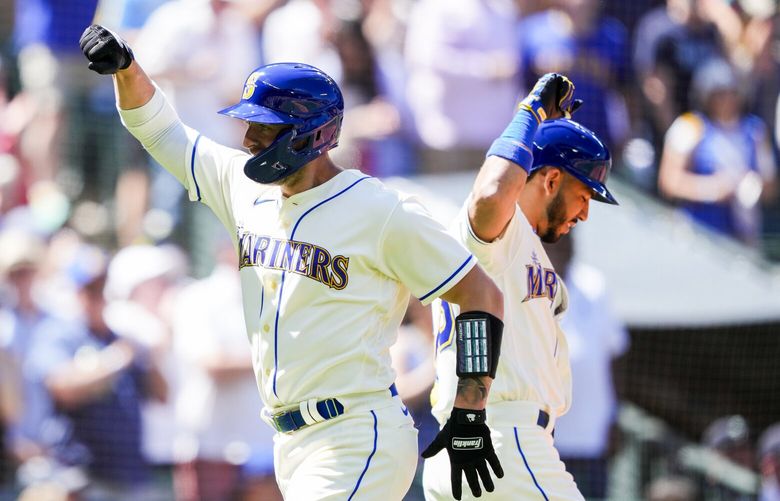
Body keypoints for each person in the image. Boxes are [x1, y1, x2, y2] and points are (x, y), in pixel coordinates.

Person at [78, 24, 505, 500]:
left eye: (265, 127)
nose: (249, 139)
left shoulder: (381, 211)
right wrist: (127, 70)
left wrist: (470, 409)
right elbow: (160, 130)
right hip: (289, 441)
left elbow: (479, 293)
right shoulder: (243, 190)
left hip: (356, 432)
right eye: (248, 124)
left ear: (312, 134)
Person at [423, 73, 619, 500]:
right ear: (550, 181)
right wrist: (530, 114)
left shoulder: (523, 246)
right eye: (584, 195)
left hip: (480, 442)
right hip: (502, 437)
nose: (585, 213)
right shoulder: (503, 233)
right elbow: (492, 192)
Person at [543, 233, 629, 500]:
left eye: (566, 238)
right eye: (554, 240)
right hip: (545, 440)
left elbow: (616, 354)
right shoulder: (529, 283)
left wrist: (616, 415)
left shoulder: (594, 284)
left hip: (592, 437)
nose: (562, 244)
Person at [657, 57, 777, 246]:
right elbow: (668, 181)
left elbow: (771, 187)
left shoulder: (755, 131)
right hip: (697, 234)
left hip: (744, 238)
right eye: (720, 94)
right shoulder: (690, 126)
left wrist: (752, 187)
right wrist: (712, 188)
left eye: (731, 93)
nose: (727, 100)